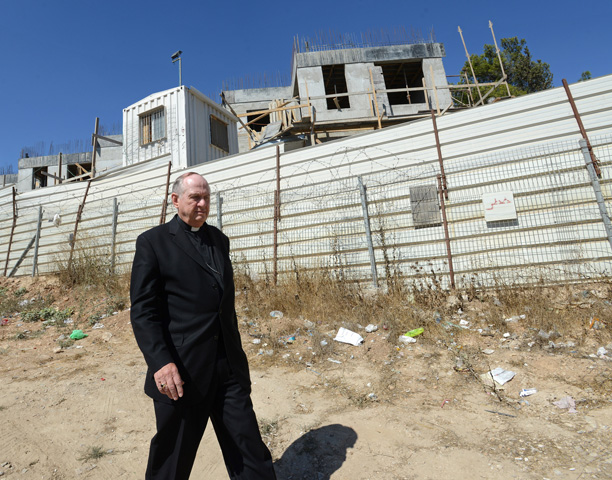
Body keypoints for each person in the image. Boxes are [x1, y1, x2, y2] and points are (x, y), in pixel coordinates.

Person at [130, 172, 276, 480]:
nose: (202, 203)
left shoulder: (219, 240)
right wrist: (161, 362)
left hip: (227, 369)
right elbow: (143, 311)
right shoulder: (153, 243)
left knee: (249, 448)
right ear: (176, 200)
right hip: (183, 372)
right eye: (195, 197)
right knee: (173, 458)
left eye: (206, 197)